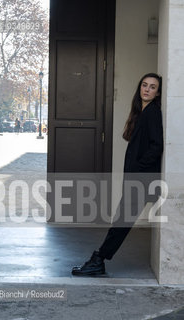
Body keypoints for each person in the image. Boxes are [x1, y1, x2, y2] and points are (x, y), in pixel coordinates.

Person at [72, 73, 164, 276]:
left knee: (121, 222)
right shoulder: (142, 111)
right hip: (136, 178)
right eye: (144, 85)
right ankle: (99, 259)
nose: (147, 89)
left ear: (158, 93)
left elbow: (157, 146)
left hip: (141, 179)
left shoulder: (153, 113)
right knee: (121, 221)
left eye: (152, 87)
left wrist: (138, 169)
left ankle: (98, 260)